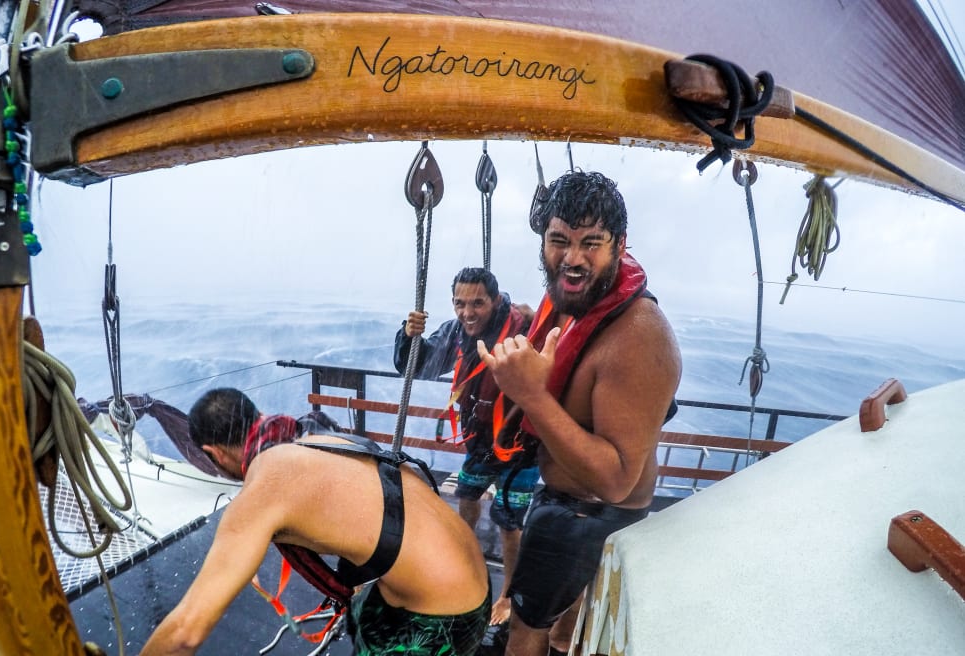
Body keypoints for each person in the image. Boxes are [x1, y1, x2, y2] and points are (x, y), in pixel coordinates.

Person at [476, 171, 681, 656]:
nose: (571, 258)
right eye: (559, 241)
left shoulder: (640, 338)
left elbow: (616, 481)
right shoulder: (587, 301)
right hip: (570, 502)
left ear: (620, 245)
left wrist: (532, 395)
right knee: (565, 631)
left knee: (526, 631)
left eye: (592, 243)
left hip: (589, 514)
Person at [140, 388, 491, 656]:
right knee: (361, 617)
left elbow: (186, 631)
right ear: (258, 416)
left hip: (448, 617)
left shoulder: (262, 490)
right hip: (473, 577)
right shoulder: (316, 437)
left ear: (214, 454)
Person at [394, 267, 539, 627]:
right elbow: (421, 367)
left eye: (477, 303)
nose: (467, 312)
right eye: (459, 303)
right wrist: (409, 336)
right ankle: (463, 554)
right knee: (468, 495)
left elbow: (558, 351)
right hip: (480, 440)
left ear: (495, 299)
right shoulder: (457, 333)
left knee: (509, 520)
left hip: (520, 443)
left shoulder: (522, 328)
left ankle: (507, 594)